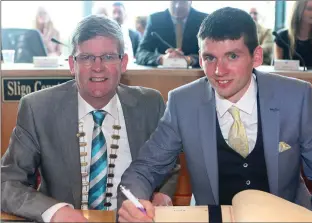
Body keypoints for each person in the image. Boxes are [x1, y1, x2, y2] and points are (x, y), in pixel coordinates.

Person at [117, 6, 312, 222]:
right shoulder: (182, 103)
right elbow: (145, 169)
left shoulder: (296, 97)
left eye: (232, 56)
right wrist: (134, 203)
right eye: (209, 57)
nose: (218, 71)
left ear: (256, 57)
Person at [1, 15, 179, 222]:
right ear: (71, 64)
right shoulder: (38, 108)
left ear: (123, 63)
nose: (97, 67)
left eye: (108, 57)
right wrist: (54, 211)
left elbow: (168, 165)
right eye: (86, 57)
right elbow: (7, 183)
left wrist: (162, 194)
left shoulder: (150, 104)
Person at [135, 0, 207, 68]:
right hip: (164, 75)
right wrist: (161, 58)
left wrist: (191, 59)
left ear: (190, 1)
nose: (177, 6)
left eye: (182, 1)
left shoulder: (204, 20)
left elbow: (213, 53)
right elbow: (141, 53)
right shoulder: (155, 20)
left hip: (196, 75)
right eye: (174, 1)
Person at [274, 1, 312, 68]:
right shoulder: (282, 37)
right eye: (309, 9)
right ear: (298, 11)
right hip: (287, 78)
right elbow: (277, 70)